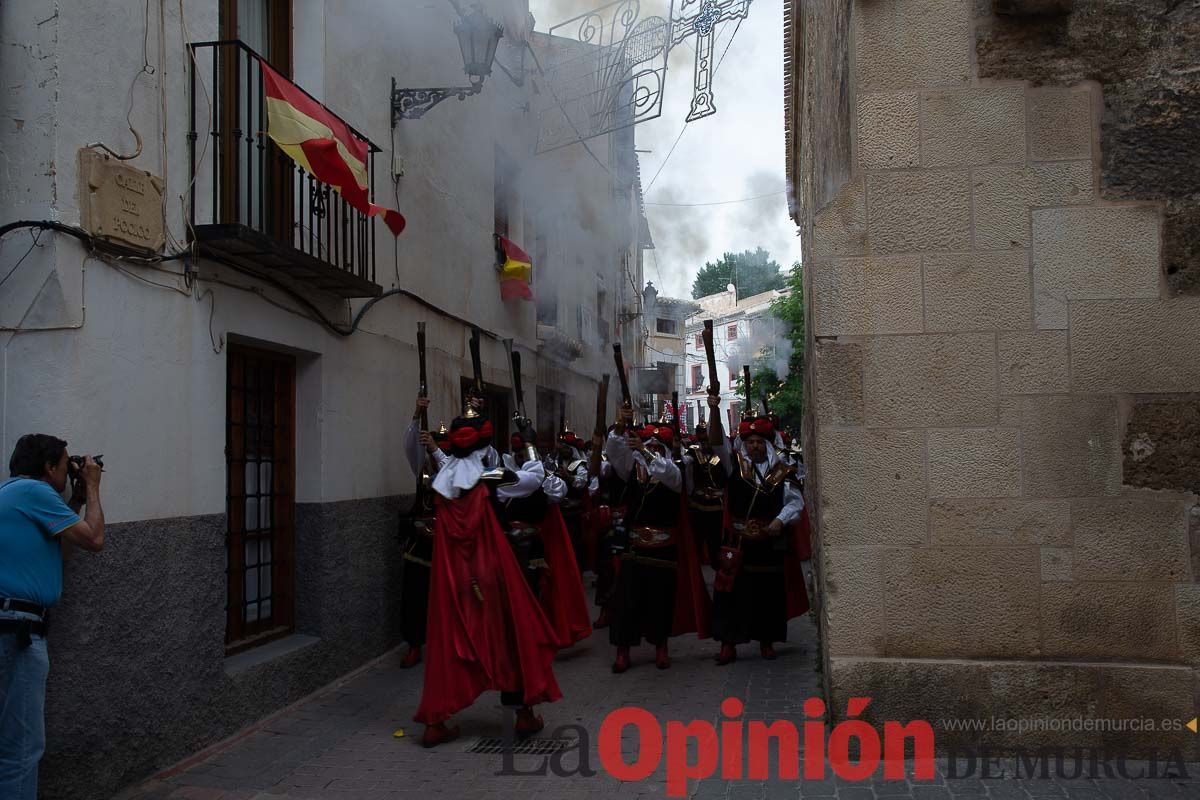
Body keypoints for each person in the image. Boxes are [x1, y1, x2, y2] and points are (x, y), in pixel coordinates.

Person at [413, 404, 561, 747]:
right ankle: (523, 714)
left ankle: (435, 721)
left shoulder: (444, 476)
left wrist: (436, 449)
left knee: (450, 640)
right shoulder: (492, 477)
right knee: (509, 637)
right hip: (492, 572)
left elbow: (445, 463)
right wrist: (529, 444)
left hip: (453, 577)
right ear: (485, 443)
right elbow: (535, 479)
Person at [1, 434, 105, 799]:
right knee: (21, 746)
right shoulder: (35, 493)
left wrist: (73, 498)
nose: (69, 471)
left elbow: (55, 554)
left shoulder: (13, 493)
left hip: (12, 625)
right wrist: (92, 487)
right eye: (64, 466)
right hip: (17, 631)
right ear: (47, 468)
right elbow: (93, 539)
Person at [706, 395, 809, 665]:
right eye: (749, 442)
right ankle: (729, 644)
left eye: (758, 442)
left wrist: (780, 520)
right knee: (731, 594)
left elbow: (796, 503)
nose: (754, 446)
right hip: (738, 543)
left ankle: (766, 641)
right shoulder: (733, 465)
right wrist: (714, 409)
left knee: (767, 595)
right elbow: (716, 441)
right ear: (744, 444)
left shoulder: (781, 472)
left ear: (766, 444)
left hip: (767, 543)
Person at [604, 419, 710, 673]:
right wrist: (620, 429)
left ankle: (661, 647)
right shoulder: (631, 468)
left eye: (657, 446)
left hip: (664, 549)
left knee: (660, 601)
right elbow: (615, 452)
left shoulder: (673, 471)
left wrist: (644, 449)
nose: (652, 449)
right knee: (626, 601)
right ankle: (623, 651)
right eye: (648, 445)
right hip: (635, 545)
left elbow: (666, 473)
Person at [397, 396, 450, 669]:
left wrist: (436, 451)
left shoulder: (452, 468)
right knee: (414, 596)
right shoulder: (423, 468)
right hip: (421, 542)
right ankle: (414, 644)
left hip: (449, 542)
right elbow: (410, 444)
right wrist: (417, 413)